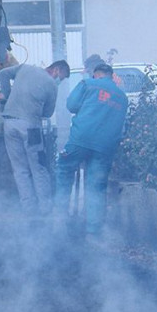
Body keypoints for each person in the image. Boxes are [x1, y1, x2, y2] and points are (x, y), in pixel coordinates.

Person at [54, 62, 129, 235]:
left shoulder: (87, 84)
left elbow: (71, 106)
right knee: (96, 186)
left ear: (96, 74)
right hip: (105, 146)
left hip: (80, 139)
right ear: (111, 76)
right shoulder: (122, 97)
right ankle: (93, 232)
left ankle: (60, 219)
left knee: (65, 171)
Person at [0, 60, 70, 215]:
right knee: (38, 167)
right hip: (31, 128)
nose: (59, 81)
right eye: (61, 77)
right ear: (56, 70)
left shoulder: (25, 68)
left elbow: (2, 73)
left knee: (20, 169)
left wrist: (8, 96)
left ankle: (28, 208)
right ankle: (45, 208)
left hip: (9, 123)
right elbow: (48, 113)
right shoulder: (51, 84)